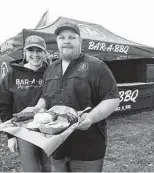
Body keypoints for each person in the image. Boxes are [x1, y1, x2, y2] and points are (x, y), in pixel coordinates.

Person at [23, 20, 120, 172]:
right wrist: (38, 107)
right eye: (62, 38)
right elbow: (46, 96)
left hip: (87, 146)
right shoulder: (51, 69)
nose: (66, 41)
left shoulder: (96, 65)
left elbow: (113, 98)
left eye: (71, 37)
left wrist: (91, 117)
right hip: (56, 146)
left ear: (80, 41)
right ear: (57, 42)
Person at [0, 35, 51, 172]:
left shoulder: (51, 73)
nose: (35, 54)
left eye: (39, 50)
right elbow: (4, 104)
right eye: (31, 50)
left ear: (45, 53)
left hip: (49, 129)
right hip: (23, 131)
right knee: (31, 169)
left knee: (49, 168)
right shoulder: (12, 74)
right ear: (24, 52)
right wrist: (11, 135)